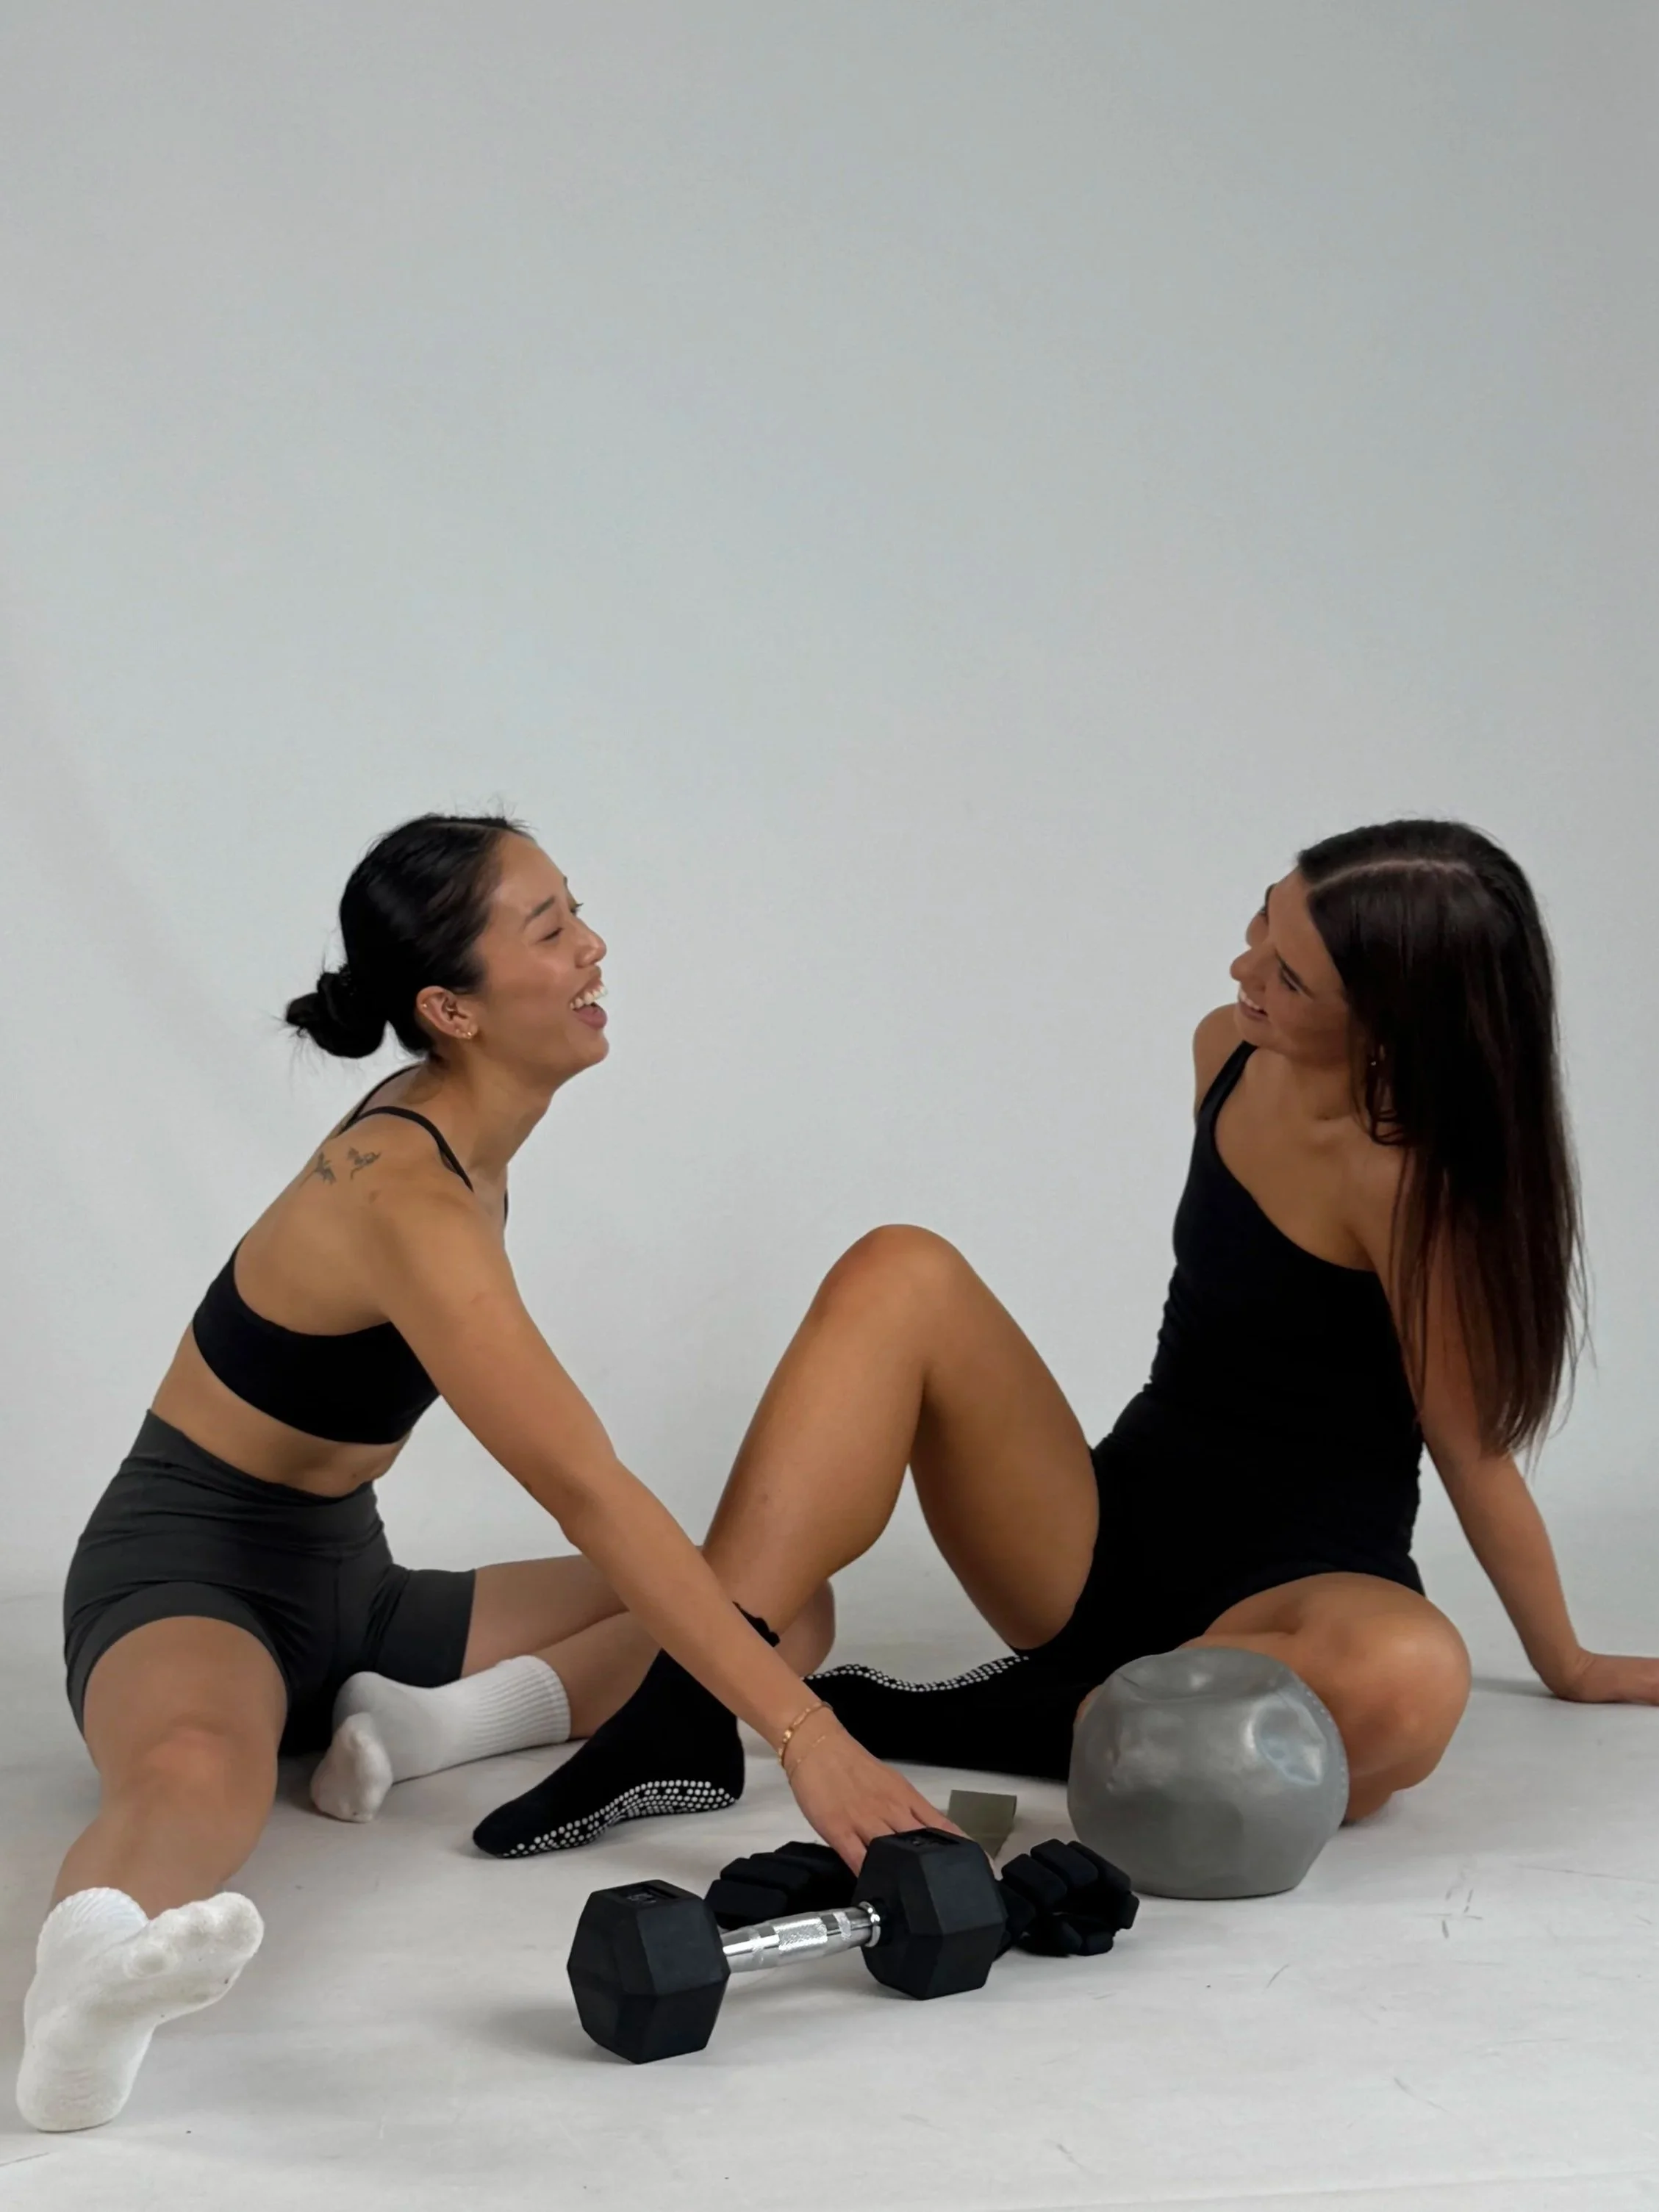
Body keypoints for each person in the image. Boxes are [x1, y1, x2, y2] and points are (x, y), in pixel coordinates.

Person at [464, 817, 1659, 1864]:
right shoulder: (1227, 1048)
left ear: (1390, 1021)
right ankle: (685, 1707)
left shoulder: (1415, 1187)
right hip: (1100, 1541)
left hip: (1300, 1599)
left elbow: (1472, 1451)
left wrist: (1568, 1661)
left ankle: (1048, 1717)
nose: (1243, 968)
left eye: (1288, 974)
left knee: (1415, 1680)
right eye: (1259, 924)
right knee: (902, 1267)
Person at [17, 811, 950, 2135]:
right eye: (552, 928)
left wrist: (789, 1695)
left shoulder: (470, 1139)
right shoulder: (403, 1193)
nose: (594, 948)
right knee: (197, 1763)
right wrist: (812, 1744)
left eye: (579, 911)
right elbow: (586, 1488)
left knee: (780, 1608)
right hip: (189, 1572)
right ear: (450, 1006)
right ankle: (84, 1990)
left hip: (356, 1582)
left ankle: (417, 1721)